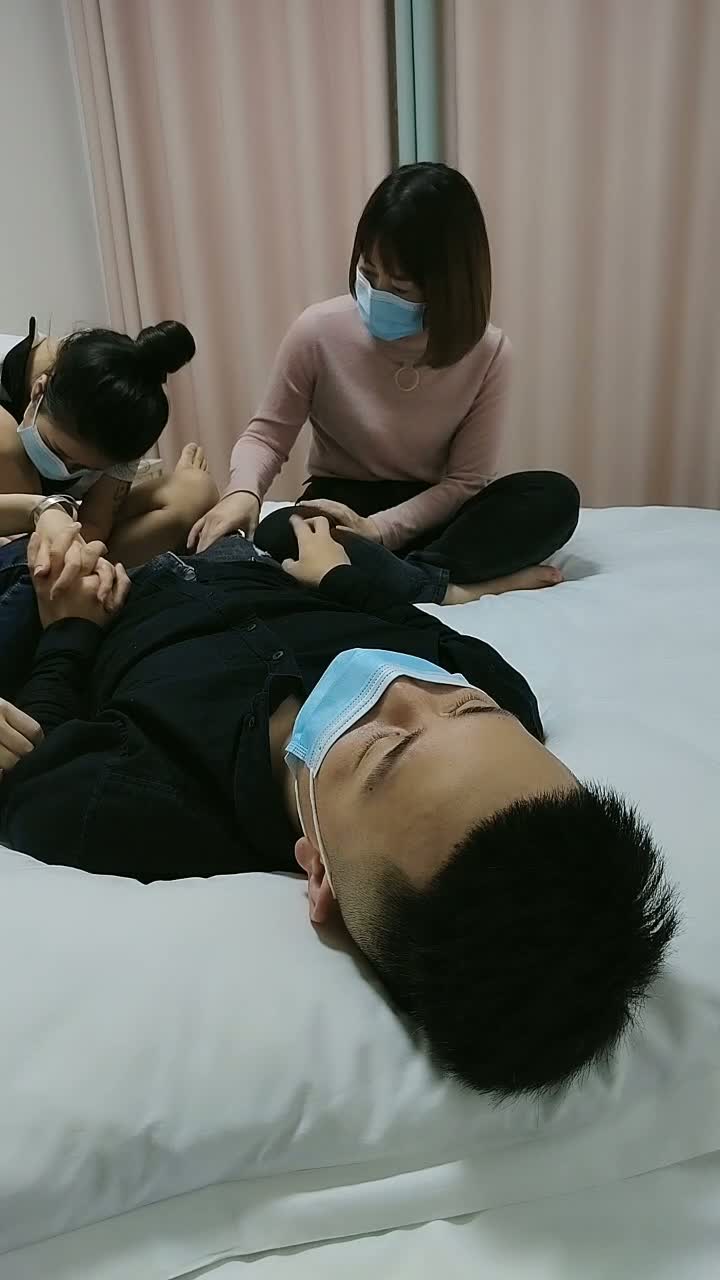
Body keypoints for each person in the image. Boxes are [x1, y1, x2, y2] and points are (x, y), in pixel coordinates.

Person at [0, 513, 679, 1098]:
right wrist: (338, 579)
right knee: (294, 524)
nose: (404, 686)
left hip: (120, 600)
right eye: (468, 706)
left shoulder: (130, 799)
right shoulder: (505, 694)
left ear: (319, 870)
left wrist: (70, 626)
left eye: (385, 745)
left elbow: (36, 741)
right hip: (258, 568)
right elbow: (416, 630)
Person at [188, 163, 580, 606]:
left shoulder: (489, 353)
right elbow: (266, 436)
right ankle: (444, 587)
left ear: (448, 285)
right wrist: (243, 492)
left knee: (554, 497)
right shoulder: (317, 330)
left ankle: (397, 574)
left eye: (401, 286)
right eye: (369, 273)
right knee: (281, 530)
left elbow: (463, 483)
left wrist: (378, 531)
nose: (378, 293)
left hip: (431, 513)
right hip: (339, 504)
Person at [0, 317, 217, 566]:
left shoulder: (125, 417)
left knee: (195, 491)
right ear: (38, 390)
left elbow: (95, 522)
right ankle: (34, 568)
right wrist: (39, 511)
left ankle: (61, 570)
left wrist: (73, 550)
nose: (64, 469)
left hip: (68, 530)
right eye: (55, 450)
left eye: (84, 467)